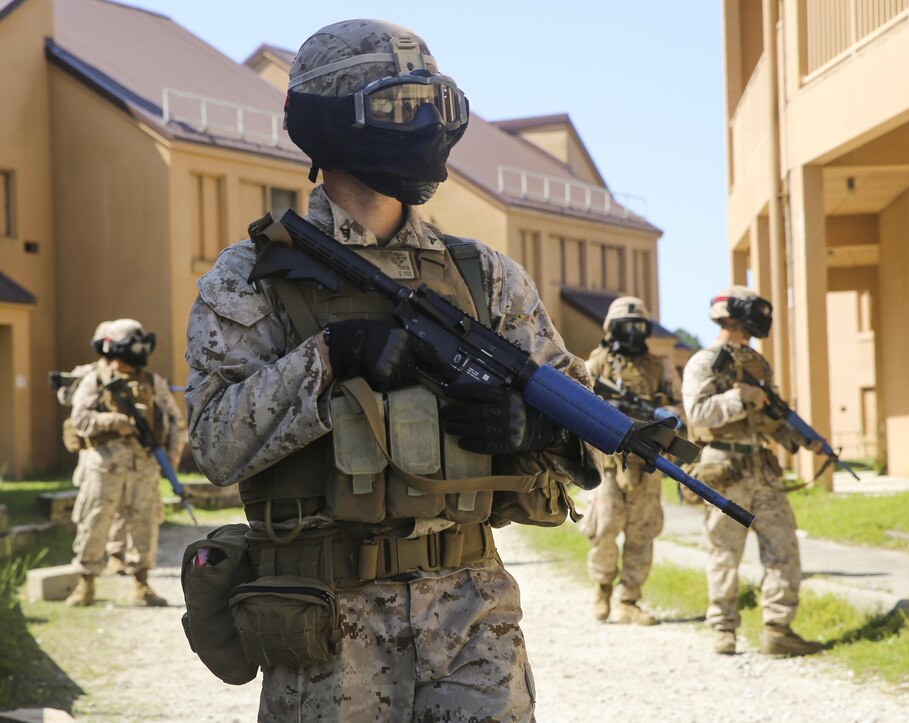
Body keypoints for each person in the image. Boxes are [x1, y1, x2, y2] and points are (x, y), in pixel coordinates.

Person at [184, 19, 599, 721]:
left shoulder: (485, 278)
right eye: (400, 105)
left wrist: (534, 429)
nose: (426, 126)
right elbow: (216, 445)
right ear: (331, 117)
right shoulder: (252, 276)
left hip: (472, 619)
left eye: (438, 105)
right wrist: (329, 356)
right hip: (327, 630)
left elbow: (584, 432)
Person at [681, 286, 822, 657]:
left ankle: (778, 628)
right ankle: (724, 630)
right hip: (723, 468)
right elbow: (697, 415)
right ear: (735, 317)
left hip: (762, 469)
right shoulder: (703, 362)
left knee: (783, 549)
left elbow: (769, 417)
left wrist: (803, 440)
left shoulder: (758, 364)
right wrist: (738, 397)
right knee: (725, 552)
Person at [65, 318, 186, 607]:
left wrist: (170, 459)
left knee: (145, 524)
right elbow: (80, 419)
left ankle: (141, 584)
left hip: (144, 467)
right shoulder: (95, 379)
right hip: (103, 467)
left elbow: (175, 422)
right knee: (94, 522)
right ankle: (86, 584)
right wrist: (112, 421)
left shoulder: (152, 381)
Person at [581, 296, 682, 625]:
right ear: (611, 329)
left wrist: (671, 418)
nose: (634, 333)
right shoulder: (595, 364)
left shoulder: (659, 365)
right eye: (627, 327)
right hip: (609, 462)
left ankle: (629, 599)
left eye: (640, 326)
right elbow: (579, 406)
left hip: (648, 461)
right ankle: (602, 587)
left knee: (642, 532)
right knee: (605, 528)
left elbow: (678, 406)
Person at [55, 322, 132, 576]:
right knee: (94, 514)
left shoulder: (132, 373)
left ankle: (118, 556)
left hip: (128, 457)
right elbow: (69, 401)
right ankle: (86, 574)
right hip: (96, 457)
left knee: (125, 512)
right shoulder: (90, 374)